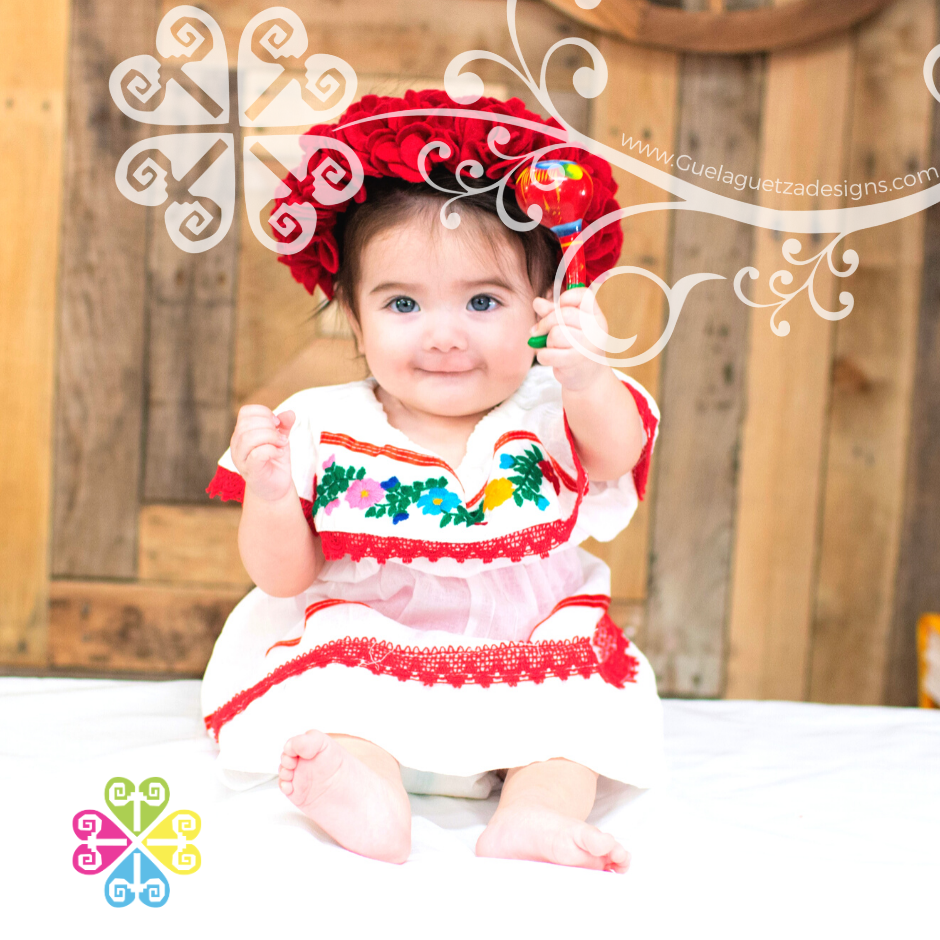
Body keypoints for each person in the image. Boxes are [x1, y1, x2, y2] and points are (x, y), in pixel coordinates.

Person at [202, 89, 664, 874]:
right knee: (335, 680)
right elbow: (284, 577)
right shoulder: (320, 425)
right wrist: (273, 495)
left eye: (483, 301)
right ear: (354, 318)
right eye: (403, 303)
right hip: (379, 659)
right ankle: (367, 792)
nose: (444, 336)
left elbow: (615, 456)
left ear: (544, 310)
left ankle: (536, 811)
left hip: (529, 659)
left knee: (579, 717)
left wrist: (588, 376)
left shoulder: (553, 408)